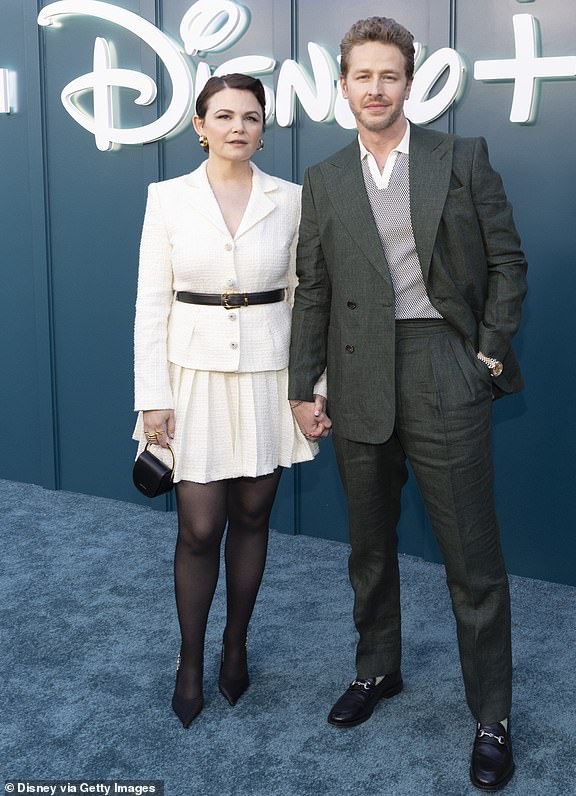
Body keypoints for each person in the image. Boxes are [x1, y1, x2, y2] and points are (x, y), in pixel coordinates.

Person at [288, 17, 527, 792]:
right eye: (363, 75)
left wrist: (486, 351)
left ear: (409, 82)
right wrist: (302, 385)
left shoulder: (459, 159)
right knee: (368, 547)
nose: (376, 89)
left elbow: (507, 261)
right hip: (356, 374)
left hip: (441, 364)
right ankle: (376, 670)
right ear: (344, 85)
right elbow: (313, 290)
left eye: (390, 75)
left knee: (473, 561)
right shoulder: (323, 178)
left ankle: (491, 714)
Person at [133, 74, 325, 729]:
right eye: (224, 115)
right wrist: (151, 397)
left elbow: (309, 299)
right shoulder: (167, 198)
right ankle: (191, 661)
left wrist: (311, 388)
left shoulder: (294, 200)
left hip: (269, 376)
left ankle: (235, 645)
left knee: (252, 517)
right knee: (198, 528)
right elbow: (151, 303)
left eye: (250, 116)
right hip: (190, 379)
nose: (238, 126)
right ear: (199, 124)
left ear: (263, 128)